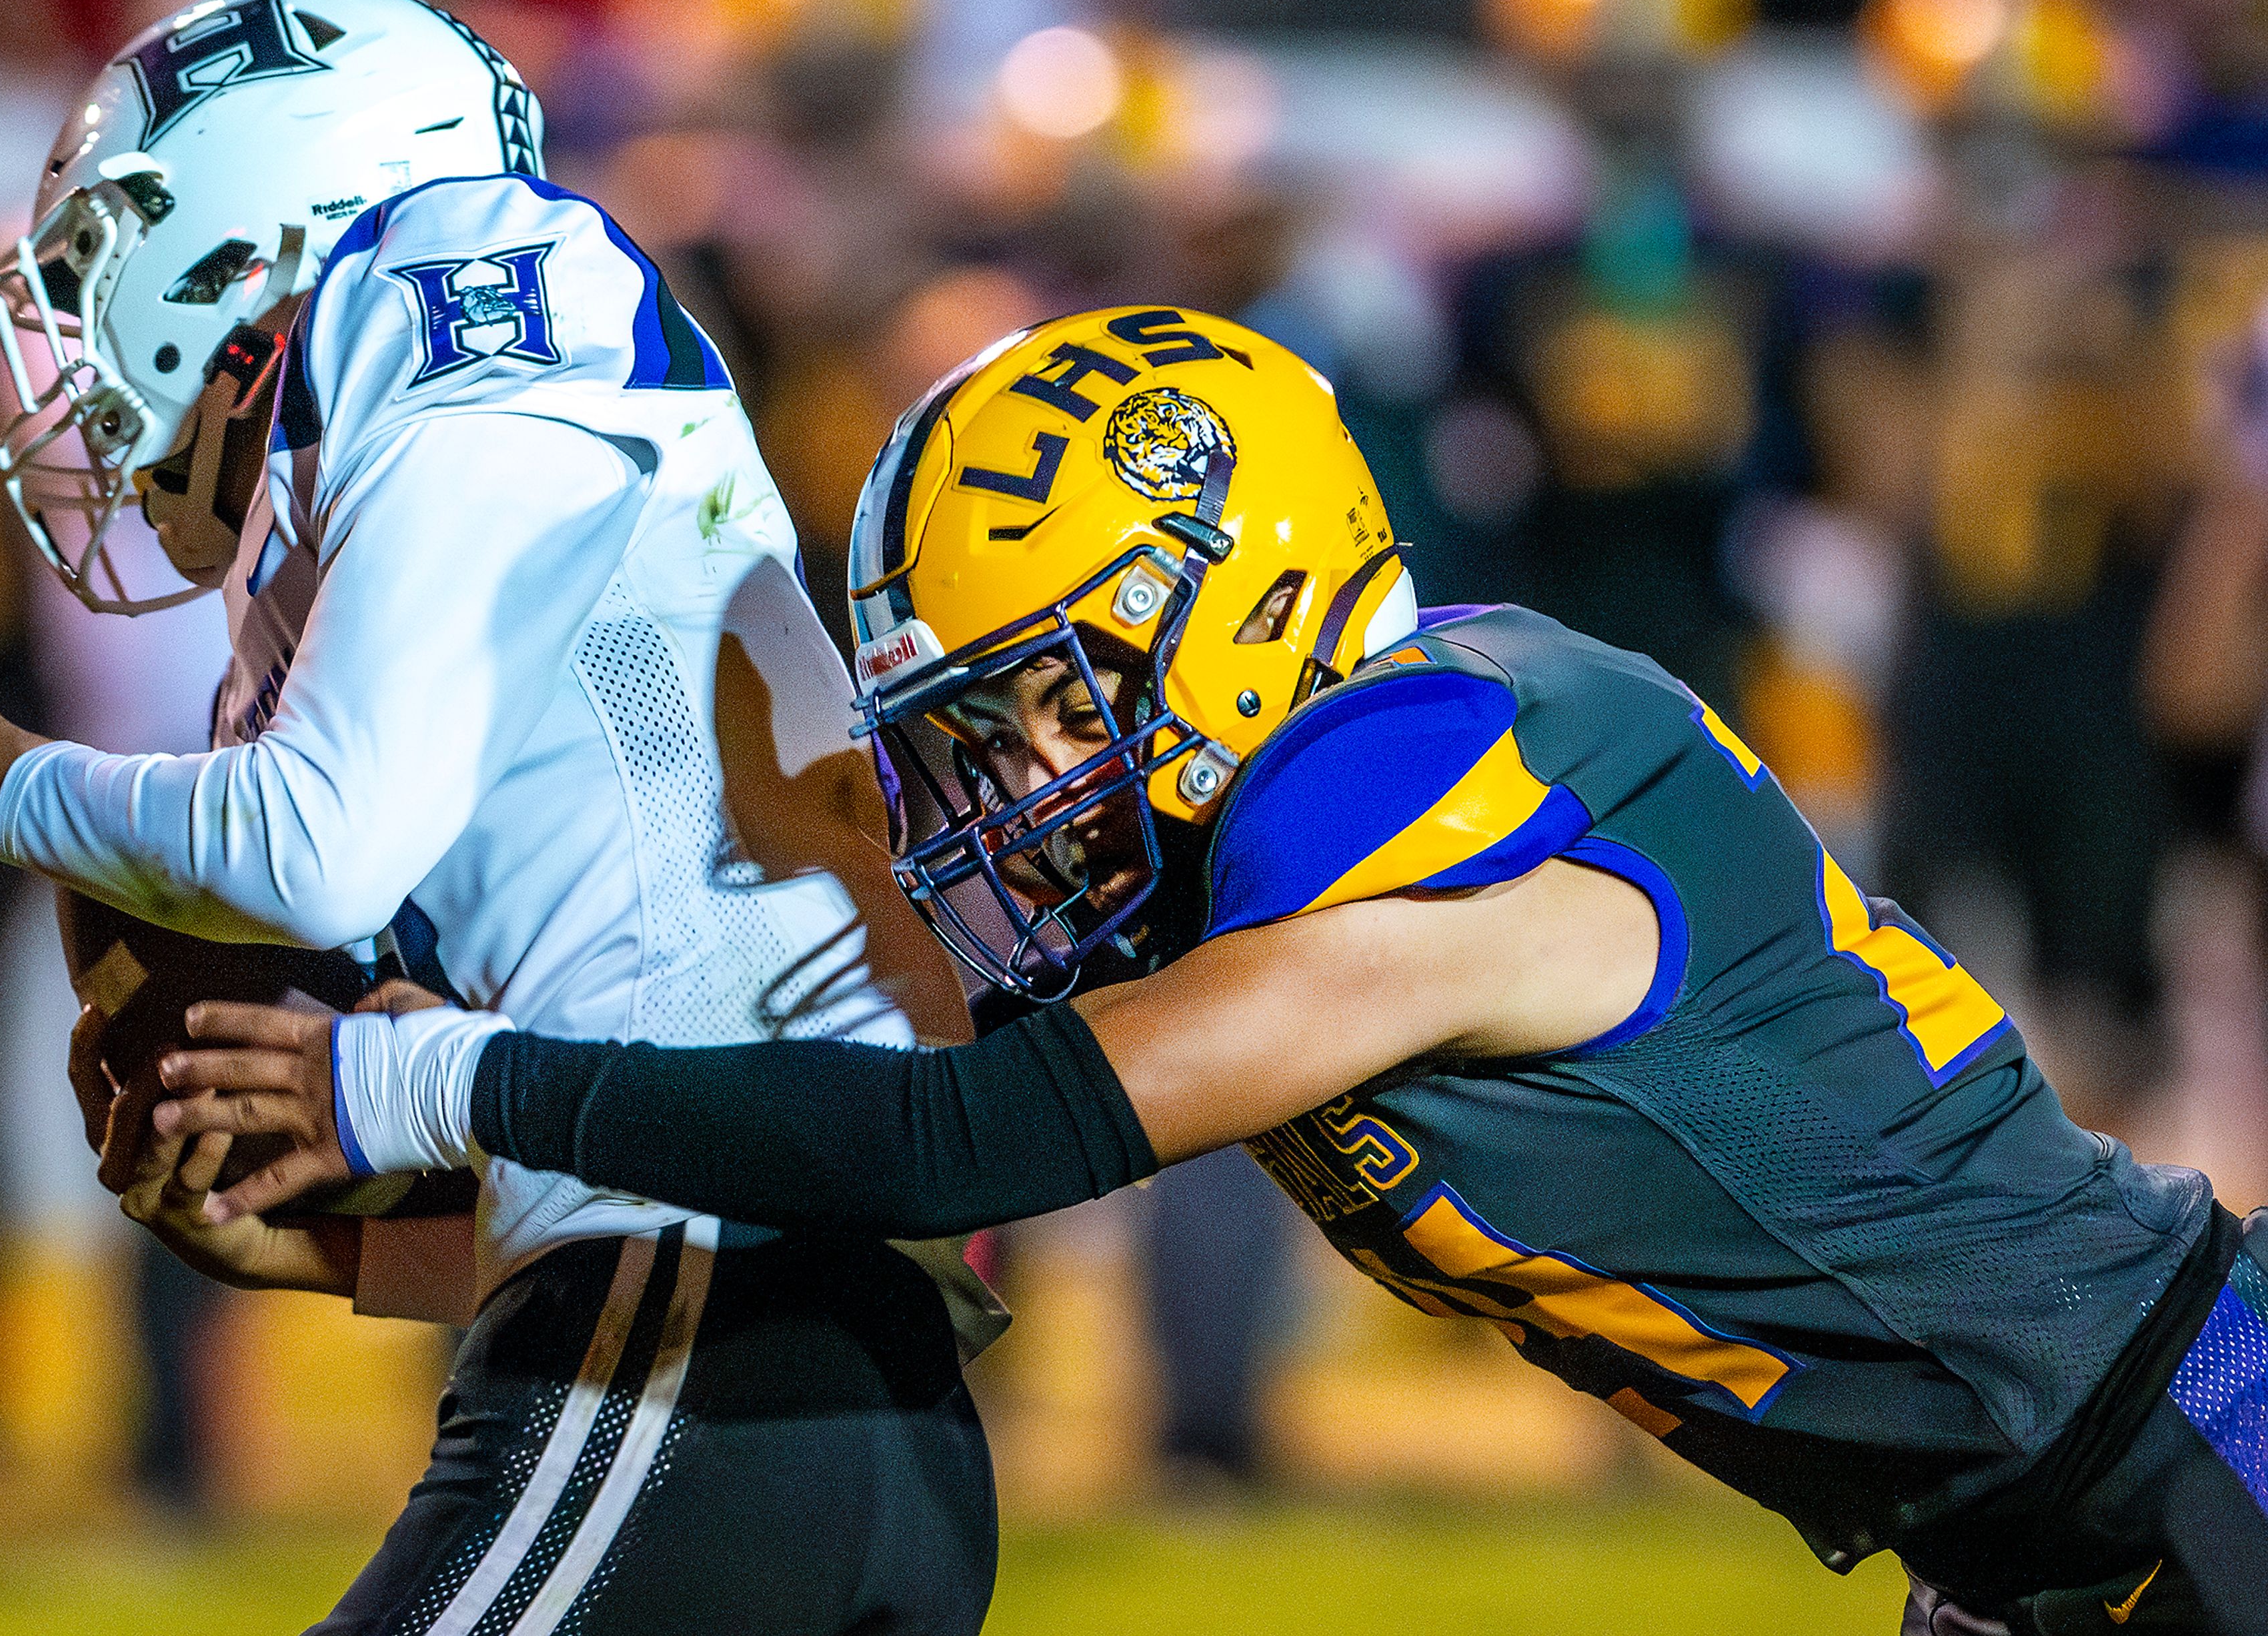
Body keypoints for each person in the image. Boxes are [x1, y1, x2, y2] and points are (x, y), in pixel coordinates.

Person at [163, 309, 2268, 1634]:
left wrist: (447, 1085)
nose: (1017, 789)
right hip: (2035, 1521)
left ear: (1235, 611)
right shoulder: (1275, 846)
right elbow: (840, 1033)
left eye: (1046, 712)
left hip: (2187, 1445)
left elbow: (950, 1135)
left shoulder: (1423, 796)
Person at [0, 0, 994, 1636]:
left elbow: (320, 843)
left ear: (240, 233)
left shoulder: (449, 288)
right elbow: (631, 1068)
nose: (77, 362)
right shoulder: (449, 443)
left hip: (682, 1356)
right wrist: (331, 1252)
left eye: (96, 277)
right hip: (800, 1360)